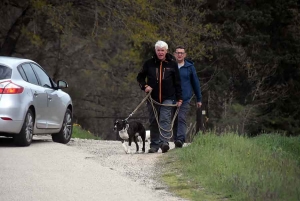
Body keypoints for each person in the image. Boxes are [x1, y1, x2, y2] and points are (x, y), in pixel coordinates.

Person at [137, 40, 182, 153]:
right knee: (153, 120)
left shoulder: (172, 63)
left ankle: (164, 143)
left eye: (162, 50)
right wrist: (145, 86)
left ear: (166, 51)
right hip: (153, 98)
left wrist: (179, 98)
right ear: (155, 51)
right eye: (158, 50)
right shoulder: (149, 63)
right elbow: (140, 77)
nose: (160, 52)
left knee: (165, 120)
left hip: (169, 97)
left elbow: (177, 82)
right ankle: (154, 145)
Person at [173, 45, 202, 148]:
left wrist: (199, 98)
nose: (179, 54)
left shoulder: (190, 67)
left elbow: (195, 83)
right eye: (178, 53)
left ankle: (180, 139)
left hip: (185, 98)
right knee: (174, 119)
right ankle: (175, 138)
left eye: (181, 53)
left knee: (181, 118)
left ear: (185, 55)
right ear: (174, 54)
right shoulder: (171, 66)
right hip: (172, 98)